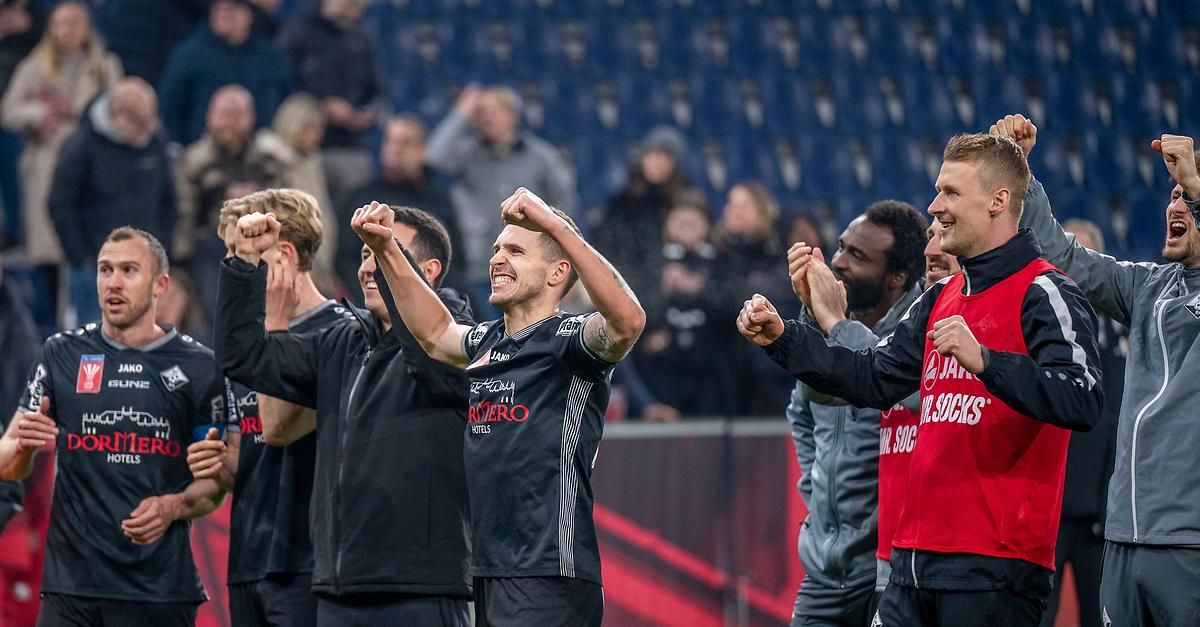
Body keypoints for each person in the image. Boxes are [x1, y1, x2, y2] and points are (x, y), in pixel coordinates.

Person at [737, 133, 1103, 627]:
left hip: (994, 566)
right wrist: (784, 338)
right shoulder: (940, 297)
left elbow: (1083, 398)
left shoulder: (1045, 290)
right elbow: (873, 377)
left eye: (951, 192)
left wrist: (987, 362)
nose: (935, 206)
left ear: (998, 201)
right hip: (911, 560)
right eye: (937, 191)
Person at [347, 185, 645, 626]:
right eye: (496, 249)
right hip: (490, 568)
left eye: (516, 251)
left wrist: (554, 225)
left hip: (549, 569)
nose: (497, 260)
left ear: (558, 272)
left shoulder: (570, 342)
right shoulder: (488, 340)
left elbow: (628, 320)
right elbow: (434, 333)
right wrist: (387, 248)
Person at [216, 204, 474, 625]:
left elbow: (426, 349)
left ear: (428, 272)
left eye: (385, 250)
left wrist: (387, 252)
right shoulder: (341, 342)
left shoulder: (458, 342)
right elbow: (245, 357)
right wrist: (245, 264)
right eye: (365, 253)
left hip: (420, 591)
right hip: (339, 593)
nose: (368, 267)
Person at [992, 114, 1200, 626]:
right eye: (1173, 194)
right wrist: (1021, 173)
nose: (1175, 204)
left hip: (1190, 542)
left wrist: (1198, 190)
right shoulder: (1147, 287)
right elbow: (1063, 256)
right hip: (1124, 537)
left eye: (1188, 197)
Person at [0, 227, 227, 626]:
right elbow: (7, 464)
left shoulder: (199, 368)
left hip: (159, 590)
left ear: (160, 285)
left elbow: (215, 484)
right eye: (105, 270)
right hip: (71, 590)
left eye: (128, 270)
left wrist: (173, 507)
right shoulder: (61, 354)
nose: (113, 282)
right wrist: (23, 449)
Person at [186, 189, 351, 627]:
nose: (231, 268)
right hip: (248, 559)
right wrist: (223, 464)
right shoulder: (240, 342)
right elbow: (256, 450)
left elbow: (277, 428)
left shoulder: (344, 336)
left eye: (240, 253)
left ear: (283, 255)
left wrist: (275, 327)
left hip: (309, 563)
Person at [783, 200, 928, 627]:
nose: (838, 263)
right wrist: (818, 497)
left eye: (858, 256)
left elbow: (908, 394)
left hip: (891, 572)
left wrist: (833, 322)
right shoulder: (828, 327)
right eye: (841, 247)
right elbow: (802, 413)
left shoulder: (920, 333)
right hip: (825, 571)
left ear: (896, 277)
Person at [1036, 218, 1124, 627]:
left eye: (1084, 257)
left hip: (1100, 516)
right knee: (1039, 615)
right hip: (1046, 514)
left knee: (1101, 617)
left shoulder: (1122, 336)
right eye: (1067, 257)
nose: (1075, 270)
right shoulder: (1038, 325)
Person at [426, 85, 576, 308]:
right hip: (479, 265)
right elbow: (433, 157)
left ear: (513, 115)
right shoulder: (468, 153)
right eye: (480, 113)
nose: (486, 119)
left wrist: (544, 236)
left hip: (527, 265)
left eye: (493, 112)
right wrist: (461, 114)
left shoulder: (540, 156)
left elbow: (565, 201)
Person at [0, 1, 119, 273]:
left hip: (92, 166)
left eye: (74, 24)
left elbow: (118, 110)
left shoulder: (105, 66)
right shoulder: (35, 65)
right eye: (60, 25)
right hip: (46, 162)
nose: (67, 31)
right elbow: (8, 110)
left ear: (87, 28)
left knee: (92, 252)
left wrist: (80, 111)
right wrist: (40, 114)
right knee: (50, 254)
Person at [48, 77, 175, 327]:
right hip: (94, 269)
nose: (149, 128)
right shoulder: (82, 145)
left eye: (151, 118)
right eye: (140, 121)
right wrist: (80, 256)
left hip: (145, 265)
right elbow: (60, 203)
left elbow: (169, 201)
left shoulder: (155, 143)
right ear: (116, 114)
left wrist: (162, 248)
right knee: (94, 344)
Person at [174, 84, 295, 317]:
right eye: (224, 115)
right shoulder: (194, 161)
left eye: (237, 115)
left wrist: (256, 199)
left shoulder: (271, 158)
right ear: (210, 117)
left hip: (266, 243)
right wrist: (180, 263)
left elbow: (288, 206)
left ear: (251, 118)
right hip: (211, 247)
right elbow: (184, 214)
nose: (230, 123)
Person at [277, 0, 387, 199]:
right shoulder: (298, 33)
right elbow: (283, 85)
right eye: (352, 6)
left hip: (351, 146)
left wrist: (364, 114)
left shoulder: (361, 39)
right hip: (305, 149)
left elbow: (377, 91)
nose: (356, 14)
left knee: (360, 207)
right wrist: (321, 107)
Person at [158, 0, 291, 145]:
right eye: (219, 7)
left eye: (233, 7)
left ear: (249, 15)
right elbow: (170, 109)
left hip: (259, 149)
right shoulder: (189, 55)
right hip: (201, 149)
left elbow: (286, 102)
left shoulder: (269, 57)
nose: (224, 11)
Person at [270, 93, 334, 277]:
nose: (317, 136)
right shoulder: (268, 163)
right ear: (293, 125)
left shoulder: (312, 164)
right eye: (310, 128)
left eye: (320, 129)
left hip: (318, 265)